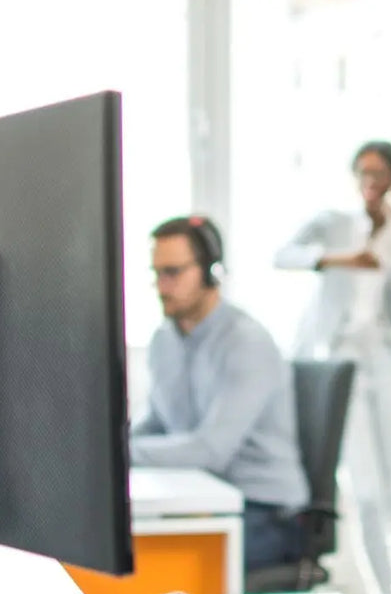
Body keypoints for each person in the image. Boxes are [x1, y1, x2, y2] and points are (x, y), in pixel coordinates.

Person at [274, 140, 391, 588]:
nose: (369, 183)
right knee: (367, 493)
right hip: (340, 362)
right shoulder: (333, 223)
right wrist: (339, 259)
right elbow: (282, 255)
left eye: (378, 174)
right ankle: (381, 588)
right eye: (362, 172)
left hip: (388, 362)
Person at [131, 215, 309, 572]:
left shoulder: (245, 342)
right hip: (205, 499)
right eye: (156, 274)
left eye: (173, 272)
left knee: (151, 563)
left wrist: (120, 455)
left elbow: (211, 450)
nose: (162, 286)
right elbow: (157, 423)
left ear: (211, 271)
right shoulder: (163, 340)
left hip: (268, 513)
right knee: (123, 545)